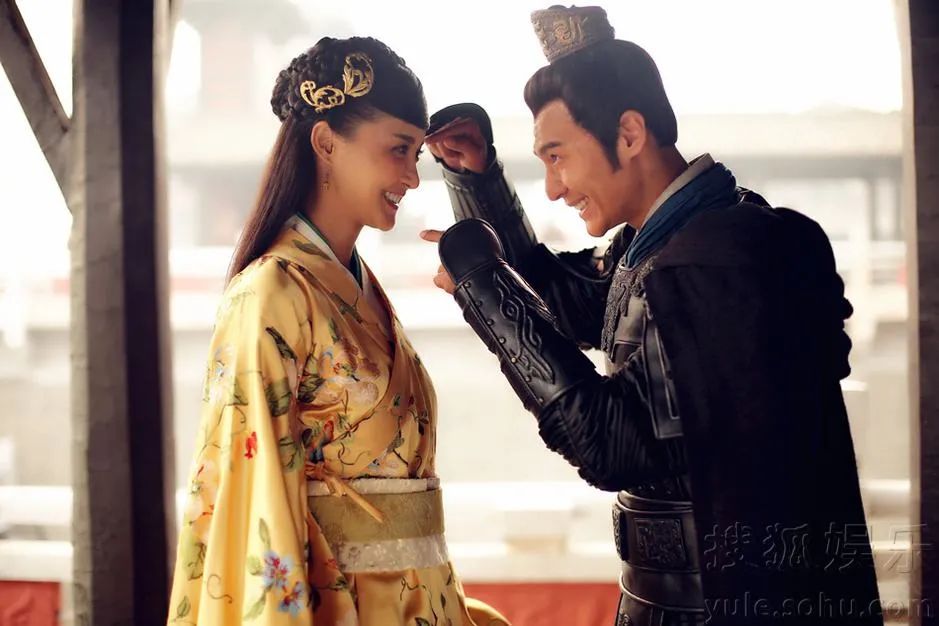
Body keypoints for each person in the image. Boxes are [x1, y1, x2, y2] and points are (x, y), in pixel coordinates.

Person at [421, 6, 881, 625]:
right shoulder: (664, 244)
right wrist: (476, 181)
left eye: (557, 156)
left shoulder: (723, 260)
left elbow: (612, 444)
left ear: (630, 133)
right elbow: (565, 304)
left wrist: (481, 285)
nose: (553, 187)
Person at [167, 36, 508, 626]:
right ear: (326, 142)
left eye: (416, 155)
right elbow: (254, 502)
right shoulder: (269, 293)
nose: (412, 177)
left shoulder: (362, 288)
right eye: (398, 150)